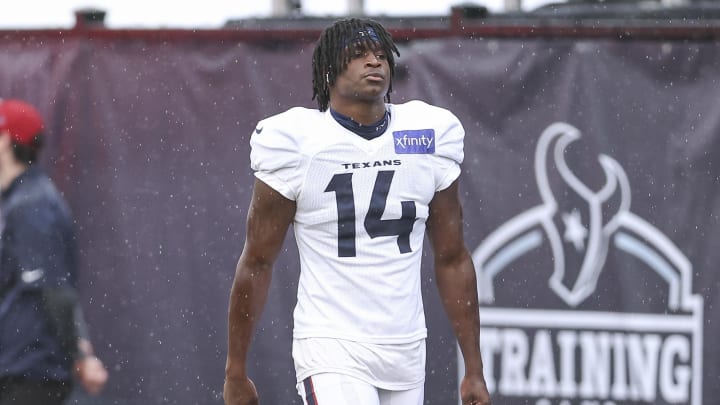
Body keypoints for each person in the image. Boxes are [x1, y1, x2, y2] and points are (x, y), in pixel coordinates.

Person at [224, 18, 491, 405]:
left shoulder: (429, 133)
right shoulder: (297, 143)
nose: (374, 62)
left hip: (405, 347)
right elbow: (257, 261)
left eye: (381, 54)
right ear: (330, 68)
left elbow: (452, 258)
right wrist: (236, 370)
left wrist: (474, 368)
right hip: (332, 344)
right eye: (359, 55)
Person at [0, 99, 108, 404]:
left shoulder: (31, 205)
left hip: (29, 376)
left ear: (6, 141)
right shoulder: (18, 201)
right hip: (19, 370)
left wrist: (78, 353)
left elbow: (56, 290)